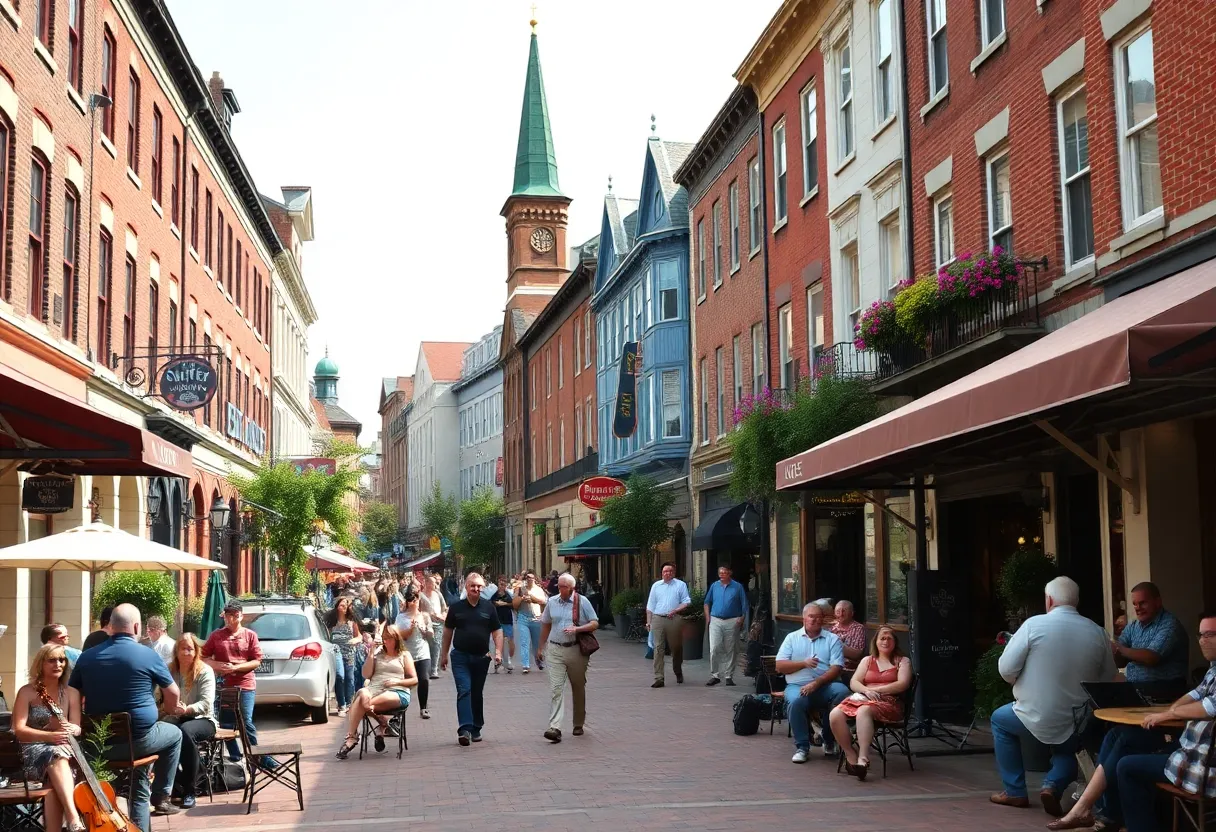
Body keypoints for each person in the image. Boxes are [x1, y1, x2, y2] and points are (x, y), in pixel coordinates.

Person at [989, 577, 1117, 815]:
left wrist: (1019, 679)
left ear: (1049, 599)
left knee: (999, 721)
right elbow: (1108, 676)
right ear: (1076, 601)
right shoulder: (1098, 631)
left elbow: (1006, 669)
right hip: (1076, 718)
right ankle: (1052, 785)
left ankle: (1015, 791)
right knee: (1070, 748)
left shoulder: (1033, 625)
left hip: (1032, 714)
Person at [69, 604, 183, 831]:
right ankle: (161, 794)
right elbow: (173, 693)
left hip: (98, 744)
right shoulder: (147, 654)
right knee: (176, 734)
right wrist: (169, 710)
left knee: (135, 777)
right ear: (137, 627)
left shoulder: (87, 657)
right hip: (140, 741)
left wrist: (76, 723)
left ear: (110, 627)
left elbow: (72, 694)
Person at [1111, 612, 1216, 832]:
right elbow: (1196, 694)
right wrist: (1172, 709)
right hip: (1190, 750)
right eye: (1201, 634)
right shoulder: (1213, 670)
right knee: (1124, 738)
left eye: (1211, 634)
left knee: (1127, 766)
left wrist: (1167, 715)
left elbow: (1210, 707)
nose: (1203, 640)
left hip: (1202, 765)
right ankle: (1103, 811)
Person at [12, 643, 86, 832]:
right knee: (56, 755)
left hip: (64, 752)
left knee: (54, 782)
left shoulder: (72, 693)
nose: (58, 664)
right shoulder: (27, 692)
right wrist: (51, 736)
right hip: (32, 753)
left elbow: (77, 726)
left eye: (62, 660)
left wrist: (73, 728)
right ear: (40, 664)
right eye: (51, 660)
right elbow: (18, 729)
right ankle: (72, 816)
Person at [828, 626, 912, 780]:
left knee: (864, 711)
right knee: (835, 714)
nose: (885, 641)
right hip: (864, 698)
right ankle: (850, 754)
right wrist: (866, 691)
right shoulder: (867, 660)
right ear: (876, 641)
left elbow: (903, 684)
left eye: (889, 638)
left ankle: (863, 758)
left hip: (889, 702)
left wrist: (878, 690)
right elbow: (854, 682)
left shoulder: (902, 661)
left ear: (895, 642)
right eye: (882, 638)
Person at [775, 602, 851, 763]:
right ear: (804, 618)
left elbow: (837, 667)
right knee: (796, 701)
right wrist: (803, 663)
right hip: (797, 686)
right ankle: (802, 747)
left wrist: (816, 683)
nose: (815, 620)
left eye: (819, 617)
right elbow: (780, 666)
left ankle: (829, 739)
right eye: (811, 616)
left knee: (842, 692)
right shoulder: (791, 638)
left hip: (824, 686)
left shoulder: (832, 639)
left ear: (823, 620)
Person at [335, 625, 418, 759]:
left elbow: (414, 680)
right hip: (374, 689)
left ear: (397, 640)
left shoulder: (404, 655)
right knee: (362, 692)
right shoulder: (378, 655)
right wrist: (371, 653)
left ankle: (353, 738)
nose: (386, 642)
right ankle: (372, 728)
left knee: (361, 704)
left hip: (397, 691)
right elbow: (366, 674)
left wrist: (397, 682)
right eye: (385, 639)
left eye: (390, 639)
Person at [439, 572, 502, 746]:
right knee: (464, 689)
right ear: (466, 587)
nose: (476, 589)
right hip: (460, 656)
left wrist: (498, 652)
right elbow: (447, 632)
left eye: (479, 586)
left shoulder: (488, 607)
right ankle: (465, 729)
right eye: (472, 585)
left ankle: (476, 727)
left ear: (483, 588)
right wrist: (444, 655)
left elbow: (497, 631)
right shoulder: (456, 607)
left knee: (476, 693)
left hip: (481, 657)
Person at [202, 601, 268, 768]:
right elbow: (203, 657)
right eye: (227, 614)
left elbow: (256, 661)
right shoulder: (217, 635)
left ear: (240, 616)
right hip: (225, 684)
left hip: (245, 684)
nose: (230, 618)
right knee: (226, 723)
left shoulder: (249, 635)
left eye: (234, 615)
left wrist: (236, 667)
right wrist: (218, 666)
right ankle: (235, 756)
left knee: (246, 721)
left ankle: (256, 756)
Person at [538, 573, 599, 742]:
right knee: (556, 688)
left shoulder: (582, 602)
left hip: (576, 650)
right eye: (558, 586)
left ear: (572, 588)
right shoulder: (552, 602)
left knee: (578, 687)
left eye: (563, 586)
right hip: (555, 649)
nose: (559, 588)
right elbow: (546, 623)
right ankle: (555, 727)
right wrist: (541, 647)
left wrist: (577, 629)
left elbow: (595, 622)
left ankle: (578, 723)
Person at [162, 633, 216, 809]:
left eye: (190, 649)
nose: (186, 653)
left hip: (202, 719)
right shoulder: (168, 671)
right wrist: (164, 709)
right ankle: (177, 785)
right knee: (159, 732)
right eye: (182, 649)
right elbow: (157, 697)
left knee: (185, 731)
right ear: (176, 651)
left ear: (196, 651)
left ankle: (190, 789)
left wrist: (187, 709)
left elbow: (206, 702)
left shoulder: (205, 671)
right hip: (174, 717)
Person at [1114, 581, 1189, 698]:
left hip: (1165, 690)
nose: (1138, 608)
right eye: (1135, 604)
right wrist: (1110, 649)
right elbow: (1119, 661)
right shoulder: (1133, 626)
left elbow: (1151, 657)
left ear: (1158, 602)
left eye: (1142, 603)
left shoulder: (1170, 625)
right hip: (1137, 689)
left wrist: (1120, 649)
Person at [646, 562, 691, 687]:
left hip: (674, 618)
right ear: (661, 572)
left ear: (674, 572)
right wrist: (648, 621)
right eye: (665, 571)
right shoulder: (656, 586)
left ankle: (678, 671)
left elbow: (686, 601)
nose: (668, 573)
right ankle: (659, 677)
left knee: (676, 648)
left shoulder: (680, 585)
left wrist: (676, 610)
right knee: (658, 648)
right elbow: (650, 605)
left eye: (670, 571)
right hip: (658, 618)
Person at [703, 565, 748, 687]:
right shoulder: (714, 586)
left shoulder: (737, 587)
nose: (722, 575)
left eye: (724, 573)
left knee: (731, 649)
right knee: (714, 648)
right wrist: (708, 618)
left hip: (732, 620)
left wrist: (742, 618)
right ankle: (715, 675)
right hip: (716, 620)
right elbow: (707, 602)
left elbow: (744, 605)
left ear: (730, 573)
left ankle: (729, 676)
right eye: (720, 573)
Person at [394, 586, 433, 719]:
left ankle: (424, 708)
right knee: (406, 682)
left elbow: (430, 634)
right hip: (407, 653)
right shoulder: (401, 617)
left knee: (424, 679)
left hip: (422, 652)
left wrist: (424, 631)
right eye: (410, 600)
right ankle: (398, 712)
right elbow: (399, 636)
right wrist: (410, 629)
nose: (413, 603)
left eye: (415, 600)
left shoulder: (424, 616)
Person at [324, 595, 362, 717]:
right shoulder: (332, 624)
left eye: (346, 605)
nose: (344, 607)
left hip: (350, 653)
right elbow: (327, 638)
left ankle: (349, 703)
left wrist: (354, 640)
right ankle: (341, 705)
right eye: (342, 605)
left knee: (350, 679)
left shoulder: (352, 622)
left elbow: (359, 636)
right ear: (337, 607)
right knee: (340, 676)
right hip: (337, 652)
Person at [514, 571, 547, 673]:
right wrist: (522, 598)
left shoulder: (539, 590)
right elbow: (514, 604)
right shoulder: (520, 589)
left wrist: (532, 599)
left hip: (536, 619)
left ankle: (538, 660)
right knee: (524, 642)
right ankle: (525, 665)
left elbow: (544, 602)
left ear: (535, 579)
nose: (529, 579)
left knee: (536, 644)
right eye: (527, 577)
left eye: (531, 577)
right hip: (523, 618)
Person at [421, 574, 448, 680]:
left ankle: (434, 670)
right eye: (433, 582)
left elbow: (444, 608)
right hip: (426, 624)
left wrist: (443, 616)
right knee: (427, 645)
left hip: (438, 623)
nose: (435, 584)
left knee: (436, 645)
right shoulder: (421, 595)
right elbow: (418, 609)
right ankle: (427, 668)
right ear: (426, 583)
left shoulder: (438, 594)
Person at [830, 601, 867, 676]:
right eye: (838, 611)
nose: (841, 614)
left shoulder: (858, 628)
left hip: (848, 671)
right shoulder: (831, 627)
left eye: (844, 611)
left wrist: (835, 644)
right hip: (829, 668)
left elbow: (857, 654)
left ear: (852, 613)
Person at [490, 575, 516, 673]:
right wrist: (496, 603)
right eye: (501, 582)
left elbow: (514, 604)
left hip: (508, 620)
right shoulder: (494, 595)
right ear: (498, 583)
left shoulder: (509, 594)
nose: (502, 584)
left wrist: (505, 604)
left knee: (509, 641)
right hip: (497, 621)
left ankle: (507, 660)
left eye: (504, 582)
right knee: (498, 642)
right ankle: (498, 661)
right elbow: (490, 603)